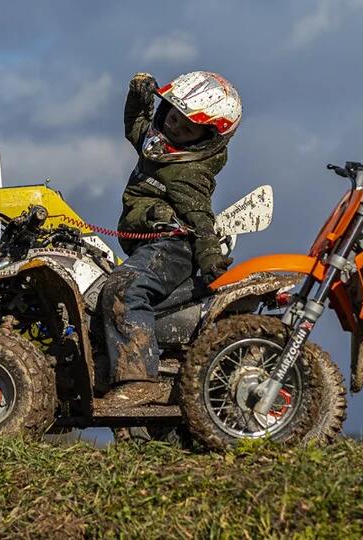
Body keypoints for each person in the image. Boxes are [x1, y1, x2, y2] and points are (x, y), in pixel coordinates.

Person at [97, 71, 242, 408]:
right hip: (149, 246)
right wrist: (138, 94)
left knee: (124, 289)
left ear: (206, 139)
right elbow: (135, 123)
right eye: (174, 116)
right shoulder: (157, 142)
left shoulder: (190, 173)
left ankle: (139, 381)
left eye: (188, 128)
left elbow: (201, 219)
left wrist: (210, 260)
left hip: (174, 249)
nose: (175, 127)